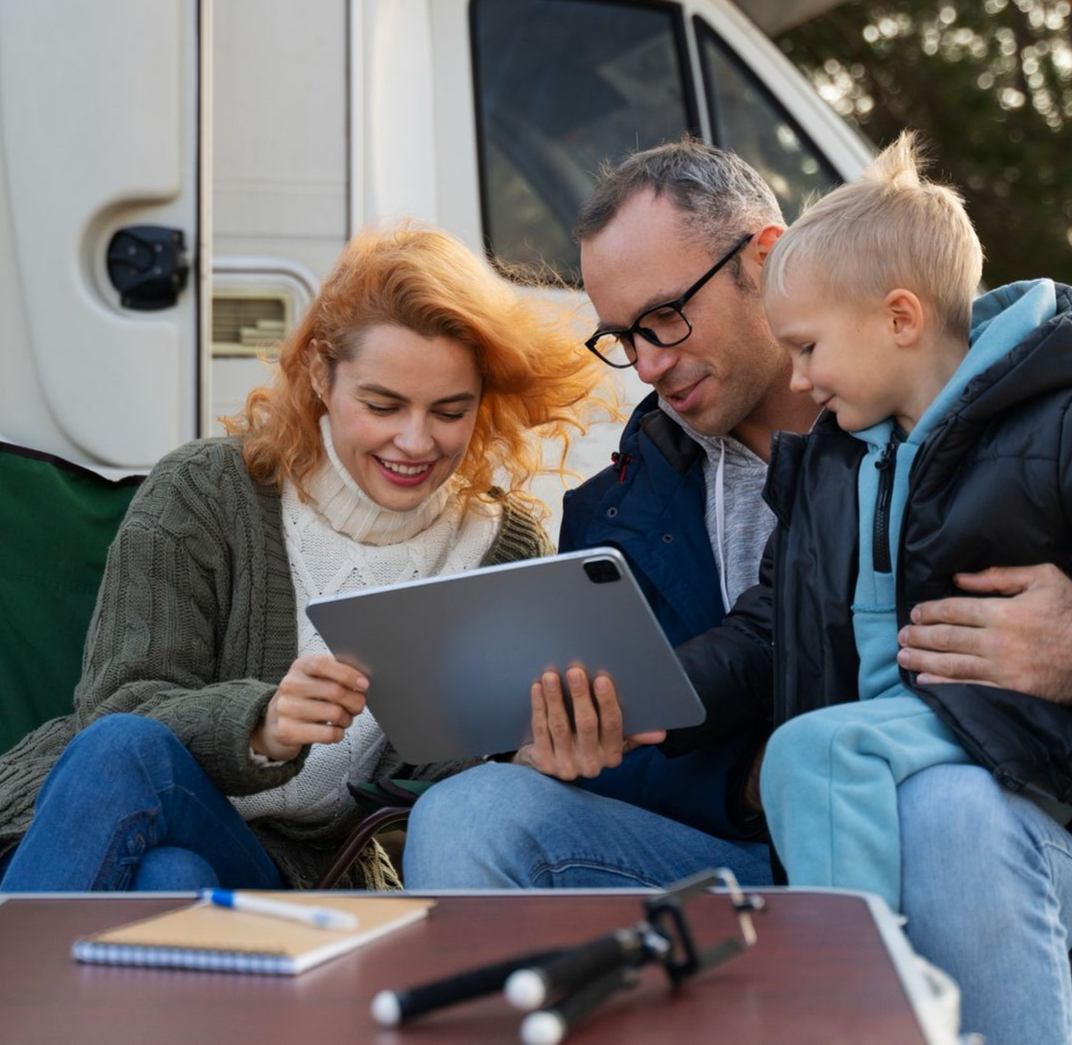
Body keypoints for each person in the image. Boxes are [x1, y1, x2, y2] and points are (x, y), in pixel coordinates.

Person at [401, 137, 1072, 1045]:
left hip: (973, 808)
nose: (644, 363)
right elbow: (743, 650)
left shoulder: (999, 407)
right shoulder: (621, 502)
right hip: (743, 847)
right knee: (467, 811)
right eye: (621, 337)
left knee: (943, 808)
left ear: (762, 257)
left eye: (665, 317)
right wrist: (589, 737)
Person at [0, 223, 610, 894]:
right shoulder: (205, 490)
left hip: (279, 864)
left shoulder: (500, 545)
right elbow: (117, 708)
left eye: (449, 411)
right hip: (78, 814)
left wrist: (526, 757)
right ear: (319, 371)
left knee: (181, 873)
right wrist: (262, 723)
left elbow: (445, 789)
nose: (415, 440)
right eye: (382, 403)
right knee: (151, 823)